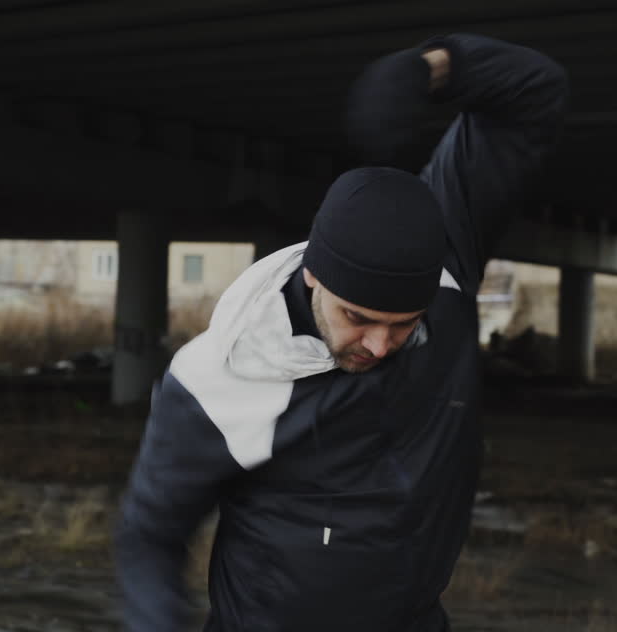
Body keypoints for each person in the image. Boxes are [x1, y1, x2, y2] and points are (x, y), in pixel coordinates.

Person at [114, 32, 569, 631]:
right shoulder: (218, 378)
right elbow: (150, 536)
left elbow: (536, 92)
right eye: (358, 318)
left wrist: (433, 68)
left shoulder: (445, 260)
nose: (380, 345)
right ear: (313, 281)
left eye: (405, 324)